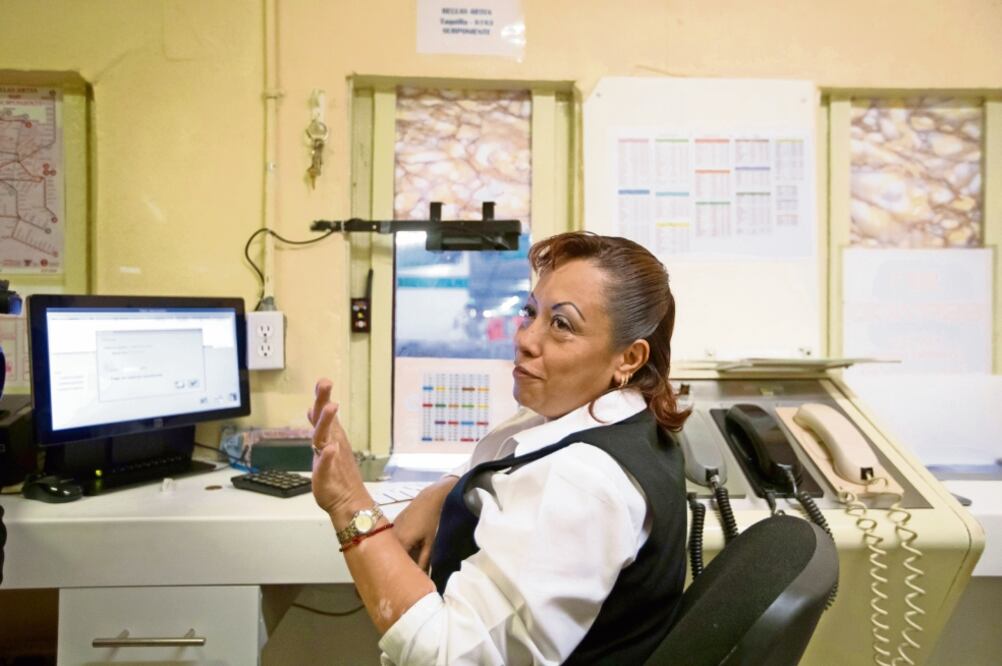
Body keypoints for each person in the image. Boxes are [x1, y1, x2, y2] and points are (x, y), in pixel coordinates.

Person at [310, 231, 689, 665]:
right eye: (531, 313)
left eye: (561, 324)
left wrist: (348, 503)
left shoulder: (582, 480)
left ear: (629, 358)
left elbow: (450, 656)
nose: (526, 338)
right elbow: (506, 454)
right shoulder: (601, 418)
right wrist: (444, 492)